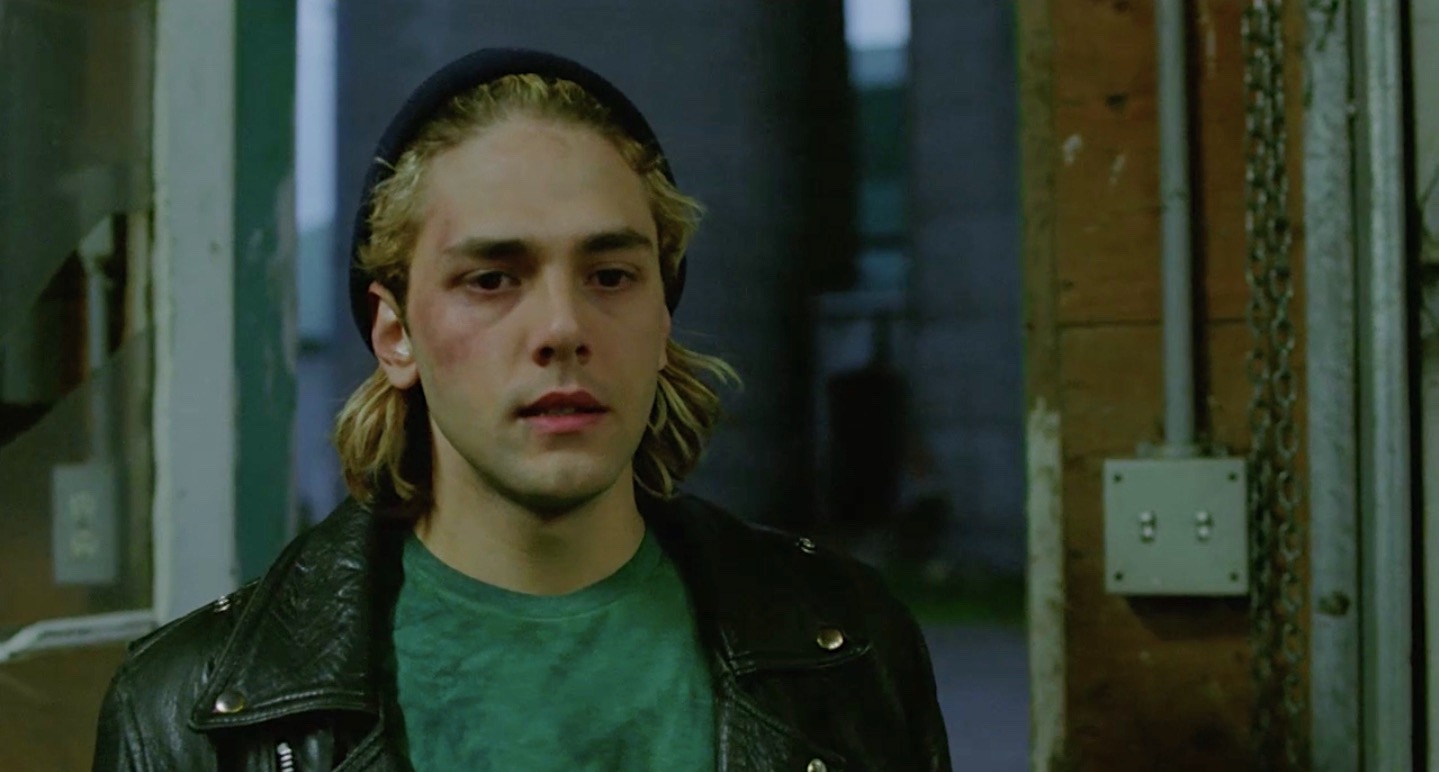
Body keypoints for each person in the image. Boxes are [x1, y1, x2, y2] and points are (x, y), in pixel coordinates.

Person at [92, 48, 951, 771]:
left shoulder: (847, 644)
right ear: (395, 335)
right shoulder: (189, 711)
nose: (562, 328)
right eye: (491, 279)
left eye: (609, 275)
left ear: (662, 319)